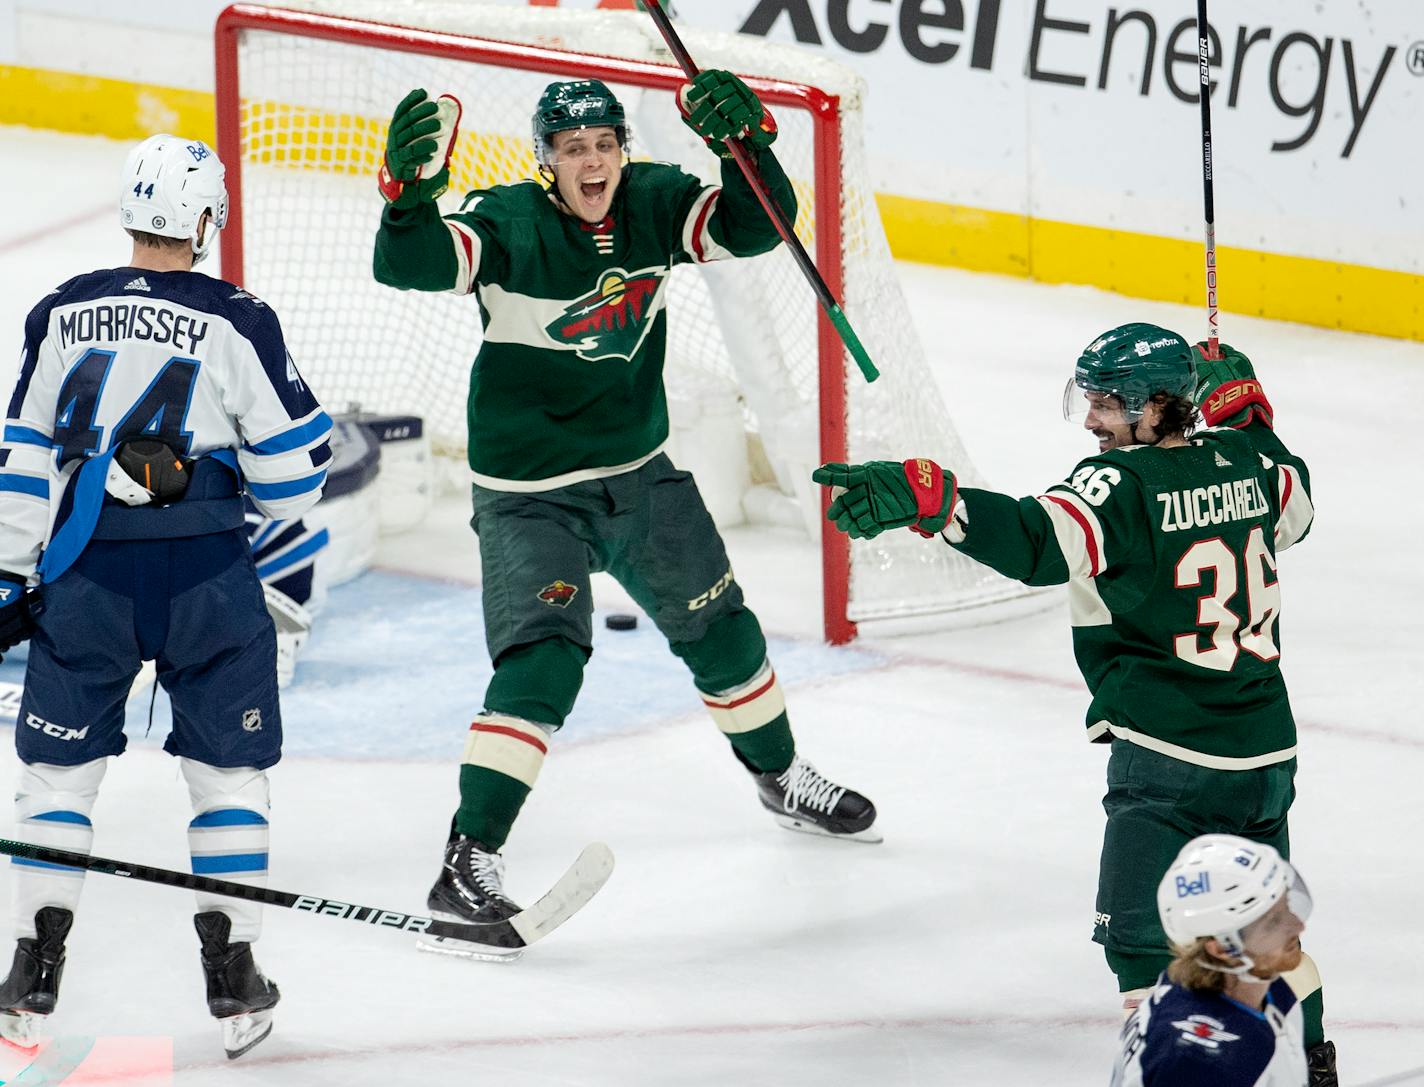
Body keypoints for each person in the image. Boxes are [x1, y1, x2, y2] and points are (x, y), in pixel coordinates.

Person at [372, 74, 878, 956]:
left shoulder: (652, 203)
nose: (593, 160)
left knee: (723, 629)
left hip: (638, 473)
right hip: (530, 492)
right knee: (546, 658)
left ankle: (778, 774)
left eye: (604, 143)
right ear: (546, 164)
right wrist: (409, 201)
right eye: (573, 149)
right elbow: (407, 265)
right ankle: (468, 857)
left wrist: (746, 147)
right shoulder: (509, 223)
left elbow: (758, 225)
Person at [812, 325, 1336, 1082]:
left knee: (1143, 949)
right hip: (1265, 757)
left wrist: (936, 498)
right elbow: (1295, 495)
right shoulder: (1251, 464)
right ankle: (1317, 1065)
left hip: (1169, 763)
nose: (1093, 420)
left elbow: (1034, 541)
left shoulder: (1122, 487)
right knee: (1261, 930)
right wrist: (1245, 403)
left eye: (1109, 405)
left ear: (1160, 405)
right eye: (1088, 401)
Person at [0, 133, 331, 1058]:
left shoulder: (59, 310)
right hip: (206, 581)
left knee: (58, 776)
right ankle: (234, 982)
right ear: (202, 219)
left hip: (87, 574)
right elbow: (297, 486)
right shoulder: (239, 317)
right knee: (227, 775)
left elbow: (23, 458)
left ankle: (31, 972)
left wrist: (6, 570)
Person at [1111, 834, 1314, 1085]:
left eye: (1287, 907)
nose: (1297, 925)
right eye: (1272, 923)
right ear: (1221, 948)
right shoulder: (1194, 1061)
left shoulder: (1272, 992)